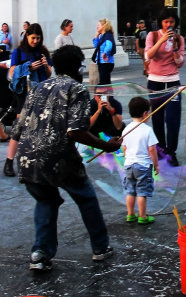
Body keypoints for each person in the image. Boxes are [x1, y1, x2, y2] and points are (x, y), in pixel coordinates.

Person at [11, 44, 121, 271]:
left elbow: (18, 129)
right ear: (77, 68)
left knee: (46, 200)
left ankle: (40, 254)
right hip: (59, 156)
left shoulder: (38, 87)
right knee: (86, 197)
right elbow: (75, 131)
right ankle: (100, 248)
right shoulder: (77, 89)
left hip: (27, 157)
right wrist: (106, 146)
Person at [3, 23, 53, 177]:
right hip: (23, 92)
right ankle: (9, 162)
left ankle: (36, 160)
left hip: (40, 92)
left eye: (38, 38)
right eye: (33, 38)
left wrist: (45, 65)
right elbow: (12, 72)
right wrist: (27, 68)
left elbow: (49, 74)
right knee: (19, 127)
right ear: (27, 36)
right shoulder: (18, 51)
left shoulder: (43, 51)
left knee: (40, 126)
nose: (35, 41)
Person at [144, 9, 185, 167]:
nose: (169, 25)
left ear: (175, 23)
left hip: (173, 82)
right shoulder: (152, 36)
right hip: (155, 82)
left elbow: (180, 62)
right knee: (158, 118)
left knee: (173, 118)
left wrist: (174, 47)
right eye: (166, 22)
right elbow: (149, 56)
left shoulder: (179, 39)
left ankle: (171, 151)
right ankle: (160, 149)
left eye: (172, 22)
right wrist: (161, 41)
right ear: (161, 22)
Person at [122, 96, 159, 225]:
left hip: (129, 165)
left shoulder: (127, 128)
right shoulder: (147, 130)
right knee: (142, 192)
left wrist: (128, 158)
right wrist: (156, 165)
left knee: (130, 191)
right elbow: (152, 149)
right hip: (143, 166)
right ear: (145, 114)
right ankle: (143, 216)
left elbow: (124, 148)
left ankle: (130, 215)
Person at [92, 18, 116, 85]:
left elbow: (109, 46)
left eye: (98, 25)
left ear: (103, 26)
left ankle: (105, 95)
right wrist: (96, 36)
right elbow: (96, 45)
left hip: (106, 62)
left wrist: (105, 53)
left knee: (104, 83)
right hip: (102, 62)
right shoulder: (102, 36)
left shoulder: (108, 35)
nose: (97, 27)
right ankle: (108, 95)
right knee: (106, 82)